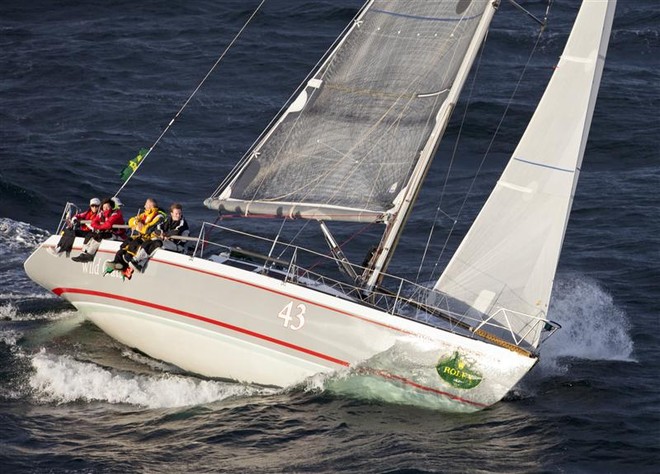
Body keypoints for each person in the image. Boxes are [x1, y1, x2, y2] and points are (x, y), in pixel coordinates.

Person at [71, 197, 126, 262]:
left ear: (111, 207)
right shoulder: (102, 213)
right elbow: (93, 222)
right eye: (104, 207)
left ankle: (89, 255)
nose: (105, 209)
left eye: (107, 207)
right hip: (107, 232)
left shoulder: (116, 214)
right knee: (90, 234)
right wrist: (100, 226)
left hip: (118, 235)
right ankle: (83, 253)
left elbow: (108, 225)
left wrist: (98, 227)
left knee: (99, 236)